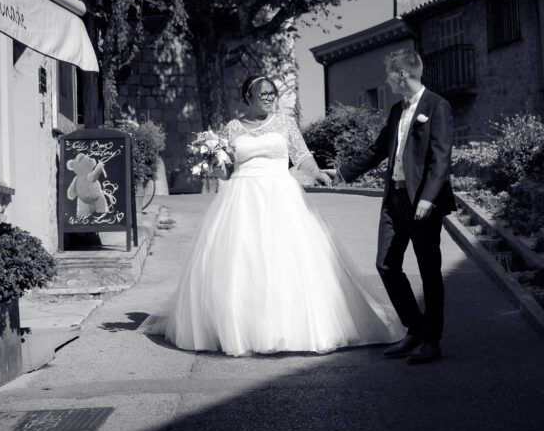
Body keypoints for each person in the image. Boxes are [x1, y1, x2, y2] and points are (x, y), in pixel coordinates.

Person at [143, 75, 404, 355]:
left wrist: (317, 173)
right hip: (241, 199)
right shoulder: (232, 128)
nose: (269, 98)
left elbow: (301, 156)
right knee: (242, 262)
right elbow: (228, 171)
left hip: (281, 195)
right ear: (248, 97)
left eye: (272, 94)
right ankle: (241, 327)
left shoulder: (284, 123)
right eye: (263, 93)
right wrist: (213, 162)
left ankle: (290, 327)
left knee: (287, 259)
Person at [327, 49, 455, 365]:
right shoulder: (398, 110)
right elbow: (377, 150)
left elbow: (441, 158)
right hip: (394, 200)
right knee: (386, 264)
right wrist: (342, 172)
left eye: (389, 75)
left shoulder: (437, 106)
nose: (387, 81)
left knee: (429, 271)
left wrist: (427, 198)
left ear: (402, 75)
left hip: (423, 203)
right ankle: (414, 328)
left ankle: (431, 342)